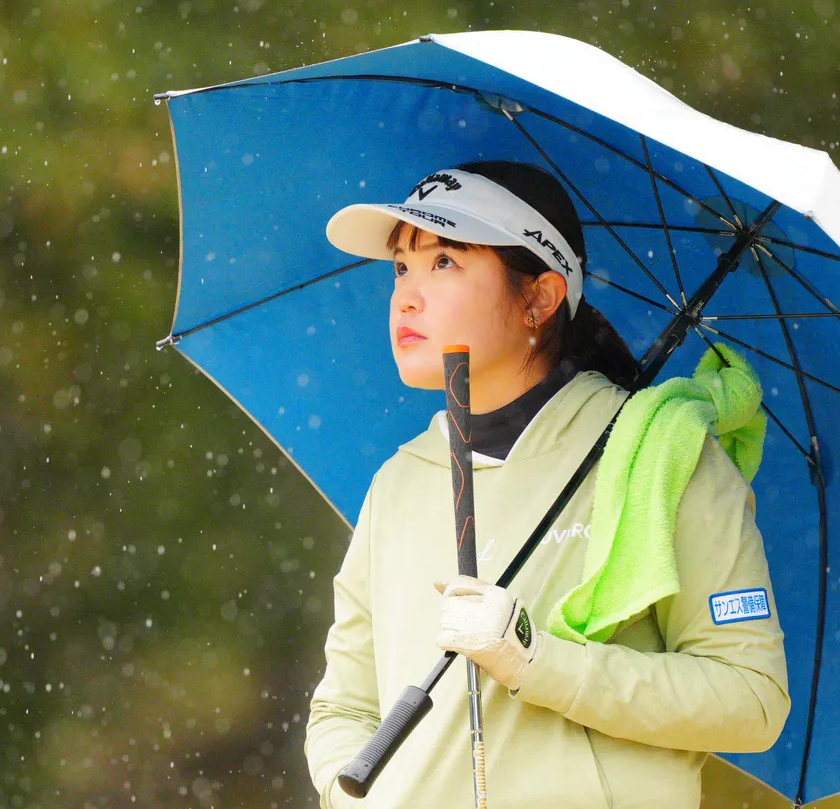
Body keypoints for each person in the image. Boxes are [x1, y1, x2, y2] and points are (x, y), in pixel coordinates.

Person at [304, 160, 790, 808]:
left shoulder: (660, 451)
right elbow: (343, 708)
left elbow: (752, 699)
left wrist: (536, 661)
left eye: (444, 262)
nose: (406, 297)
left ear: (539, 298)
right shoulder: (398, 482)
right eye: (400, 267)